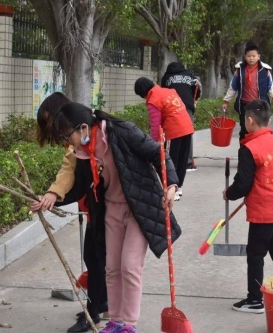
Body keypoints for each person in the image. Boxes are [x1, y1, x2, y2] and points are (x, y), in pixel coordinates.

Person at [31, 102, 182, 333]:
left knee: (130, 266)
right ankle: (116, 321)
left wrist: (171, 184)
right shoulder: (83, 150)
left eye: (67, 134)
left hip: (138, 208)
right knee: (111, 267)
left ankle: (129, 325)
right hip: (111, 209)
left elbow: (157, 152)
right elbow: (81, 185)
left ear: (82, 127)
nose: (66, 141)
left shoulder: (120, 131)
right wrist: (51, 199)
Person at [36, 92, 109, 333]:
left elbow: (71, 170)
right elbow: (72, 172)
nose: (50, 128)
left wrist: (54, 195)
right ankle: (101, 303)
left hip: (109, 206)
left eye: (49, 121)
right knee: (98, 257)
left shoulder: (91, 134)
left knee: (96, 258)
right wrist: (54, 196)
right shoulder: (75, 136)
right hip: (96, 206)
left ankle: (93, 313)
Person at [223, 99, 273, 313]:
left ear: (249, 120)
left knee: (255, 253)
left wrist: (228, 194)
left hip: (263, 212)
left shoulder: (249, 148)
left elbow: (243, 183)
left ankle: (255, 299)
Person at [134, 77, 194, 201]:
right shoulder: (169, 91)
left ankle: (172, 190)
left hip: (174, 130)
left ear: (142, 93)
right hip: (187, 127)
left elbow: (155, 126)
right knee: (182, 160)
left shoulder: (153, 99)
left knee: (170, 161)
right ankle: (179, 188)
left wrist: (153, 146)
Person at [222, 44, 273, 141]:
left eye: (253, 56)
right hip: (245, 106)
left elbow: (270, 86)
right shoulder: (239, 71)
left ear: (258, 56)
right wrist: (226, 101)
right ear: (245, 57)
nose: (251, 58)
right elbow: (233, 87)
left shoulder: (265, 71)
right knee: (244, 131)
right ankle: (244, 153)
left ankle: (258, 154)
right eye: (248, 56)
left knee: (260, 131)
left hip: (260, 106)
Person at [161, 62, 202, 171]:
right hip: (187, 106)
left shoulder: (166, 77)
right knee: (187, 132)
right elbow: (197, 86)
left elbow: (163, 92)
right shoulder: (189, 75)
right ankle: (187, 163)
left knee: (172, 133)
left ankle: (171, 161)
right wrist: (195, 100)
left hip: (172, 106)